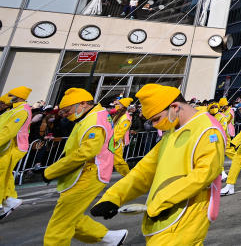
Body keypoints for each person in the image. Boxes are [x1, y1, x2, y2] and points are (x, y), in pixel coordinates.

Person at [90, 84, 225, 244]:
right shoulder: (173, 131)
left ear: (174, 107)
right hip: (164, 215)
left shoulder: (208, 130)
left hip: (187, 216)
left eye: (156, 119)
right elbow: (145, 170)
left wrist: (161, 200)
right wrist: (113, 197)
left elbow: (204, 174)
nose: (154, 125)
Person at [42, 88, 126, 246]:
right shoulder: (96, 115)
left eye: (67, 110)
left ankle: (108, 237)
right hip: (88, 172)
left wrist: (51, 171)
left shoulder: (94, 121)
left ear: (83, 104)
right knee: (69, 216)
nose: (65, 114)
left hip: (88, 174)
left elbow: (85, 153)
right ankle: (109, 237)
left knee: (59, 225)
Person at [0, 86, 31, 220]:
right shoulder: (16, 109)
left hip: (14, 147)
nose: (8, 96)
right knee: (5, 174)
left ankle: (6, 201)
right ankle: (10, 199)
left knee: (2, 173)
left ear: (18, 97)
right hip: (10, 146)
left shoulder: (21, 111)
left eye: (11, 94)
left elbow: (9, 132)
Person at [108, 97, 134, 177]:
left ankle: (128, 176)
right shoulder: (118, 115)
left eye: (118, 104)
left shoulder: (126, 118)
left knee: (118, 161)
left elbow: (120, 133)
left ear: (123, 106)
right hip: (110, 140)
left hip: (116, 142)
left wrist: (111, 140)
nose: (116, 105)